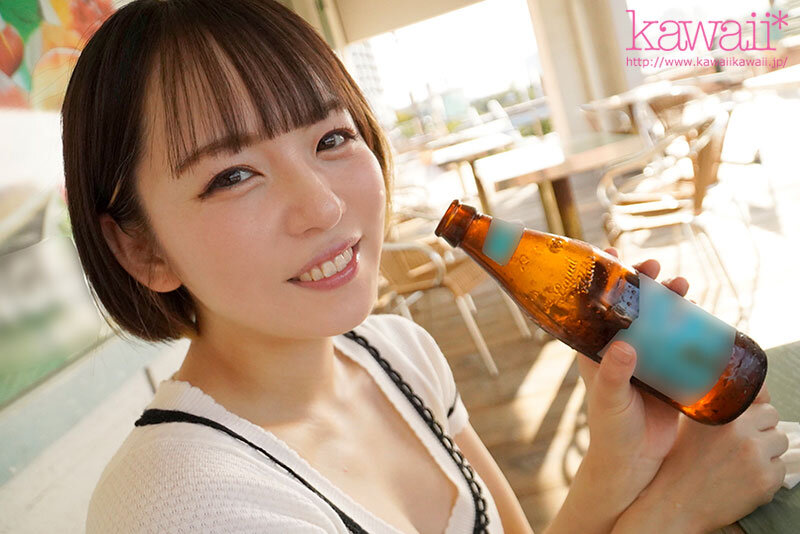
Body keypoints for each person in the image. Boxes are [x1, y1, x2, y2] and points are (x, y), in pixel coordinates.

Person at [62, 1, 788, 533]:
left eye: (331, 137)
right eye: (231, 176)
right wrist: (669, 515)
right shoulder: (175, 503)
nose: (322, 206)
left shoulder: (398, 353)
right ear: (141, 249)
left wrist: (616, 462)